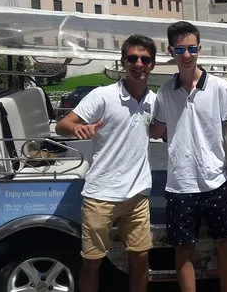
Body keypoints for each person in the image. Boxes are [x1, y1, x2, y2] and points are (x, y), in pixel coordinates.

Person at [55, 34, 157, 292]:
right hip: (101, 194)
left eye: (145, 59)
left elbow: (161, 130)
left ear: (152, 64)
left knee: (141, 259)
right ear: (123, 62)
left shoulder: (154, 101)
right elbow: (62, 125)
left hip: (137, 194)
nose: (138, 64)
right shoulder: (102, 96)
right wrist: (78, 129)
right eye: (132, 58)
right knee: (92, 262)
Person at [150, 21, 227, 292]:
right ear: (171, 51)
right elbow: (157, 129)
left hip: (216, 181)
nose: (186, 55)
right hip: (180, 184)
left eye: (191, 48)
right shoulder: (165, 91)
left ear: (200, 48)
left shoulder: (220, 88)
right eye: (180, 49)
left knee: (226, 245)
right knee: (183, 250)